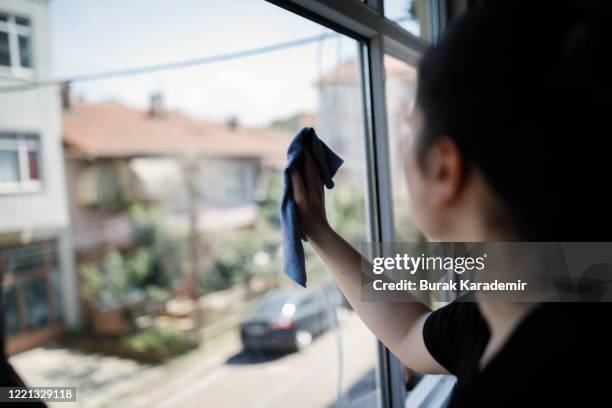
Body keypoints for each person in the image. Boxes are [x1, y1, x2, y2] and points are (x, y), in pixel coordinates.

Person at [289, 1, 612, 406]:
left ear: (444, 168)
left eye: (412, 128)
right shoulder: (563, 284)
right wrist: (319, 231)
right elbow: (410, 333)